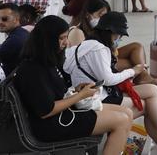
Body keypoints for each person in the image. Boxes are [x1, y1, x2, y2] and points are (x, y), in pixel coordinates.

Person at [64, 13, 157, 154]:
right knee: (148, 106)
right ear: (109, 32)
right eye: (118, 35)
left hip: (98, 94)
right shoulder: (98, 49)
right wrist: (134, 71)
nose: (119, 39)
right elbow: (108, 79)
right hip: (97, 98)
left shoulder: (90, 45)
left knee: (152, 90)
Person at [12, 15, 130, 155]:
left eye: (66, 37)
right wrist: (80, 96)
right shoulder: (33, 70)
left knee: (126, 112)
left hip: (63, 115)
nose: (66, 42)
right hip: (53, 125)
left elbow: (54, 94)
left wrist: (75, 90)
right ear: (46, 39)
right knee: (121, 121)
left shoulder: (45, 61)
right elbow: (46, 111)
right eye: (61, 38)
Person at [0, 3, 29, 75]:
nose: (0, 22)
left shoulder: (14, 40)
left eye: (4, 19)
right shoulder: (23, 32)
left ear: (16, 19)